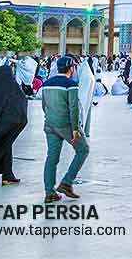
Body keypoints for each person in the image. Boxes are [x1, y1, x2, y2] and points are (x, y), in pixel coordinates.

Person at [40, 55, 88, 203]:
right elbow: (73, 108)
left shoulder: (47, 83)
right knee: (83, 150)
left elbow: (44, 105)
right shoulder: (71, 84)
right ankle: (67, 182)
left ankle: (49, 192)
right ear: (71, 68)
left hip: (50, 124)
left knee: (52, 157)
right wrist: (75, 129)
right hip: (65, 124)